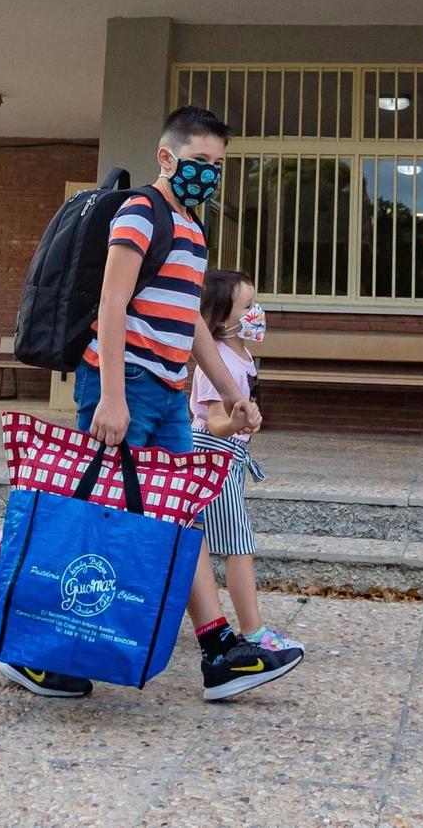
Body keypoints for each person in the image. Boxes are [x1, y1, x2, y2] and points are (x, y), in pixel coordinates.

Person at [0, 105, 304, 702]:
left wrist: (237, 394)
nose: (209, 174)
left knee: (180, 515)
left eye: (218, 165)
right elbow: (112, 305)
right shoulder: (141, 212)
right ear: (166, 158)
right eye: (199, 162)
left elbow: (191, 324)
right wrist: (112, 396)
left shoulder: (193, 231)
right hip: (125, 385)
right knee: (91, 515)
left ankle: (218, 652)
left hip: (164, 394)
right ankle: (31, 651)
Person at [192, 268, 301, 653]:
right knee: (239, 545)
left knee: (198, 543)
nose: (258, 312)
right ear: (223, 319)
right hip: (213, 460)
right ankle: (253, 631)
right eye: (249, 305)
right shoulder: (217, 359)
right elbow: (212, 421)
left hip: (230, 461)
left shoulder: (242, 357)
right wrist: (236, 421)